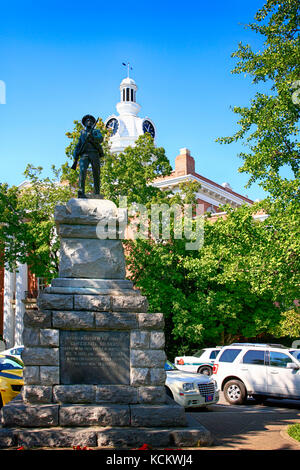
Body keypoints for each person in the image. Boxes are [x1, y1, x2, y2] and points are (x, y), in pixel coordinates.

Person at [72, 114, 104, 198]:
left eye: (90, 121)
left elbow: (100, 139)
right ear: (85, 123)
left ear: (93, 123)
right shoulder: (82, 133)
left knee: (96, 173)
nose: (89, 122)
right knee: (82, 172)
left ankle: (97, 192)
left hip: (94, 153)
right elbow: (78, 145)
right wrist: (75, 155)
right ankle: (81, 191)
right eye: (87, 121)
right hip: (84, 154)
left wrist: (92, 137)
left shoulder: (96, 131)